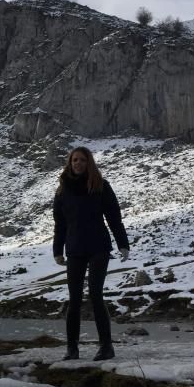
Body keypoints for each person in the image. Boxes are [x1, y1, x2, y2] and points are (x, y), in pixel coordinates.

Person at [52, 147, 129, 361]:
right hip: (75, 249)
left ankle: (106, 347)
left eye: (82, 160)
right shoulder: (62, 191)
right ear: (69, 162)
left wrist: (123, 243)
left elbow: (114, 217)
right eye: (74, 160)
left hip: (98, 247)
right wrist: (57, 250)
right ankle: (72, 348)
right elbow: (60, 224)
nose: (78, 163)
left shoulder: (100, 186)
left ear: (89, 162)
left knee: (96, 294)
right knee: (74, 298)